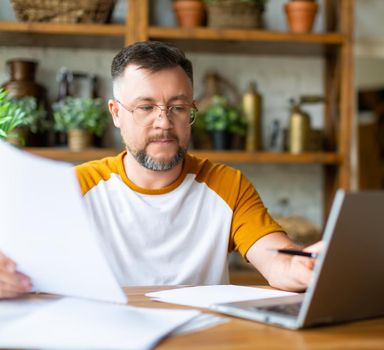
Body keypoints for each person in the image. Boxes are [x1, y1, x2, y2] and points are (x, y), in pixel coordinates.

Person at [0, 41, 322, 299]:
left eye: (178, 108)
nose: (164, 123)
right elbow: (17, 261)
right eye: (145, 107)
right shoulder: (75, 187)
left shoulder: (228, 184)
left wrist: (301, 265)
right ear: (115, 112)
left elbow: (275, 256)